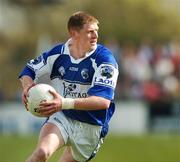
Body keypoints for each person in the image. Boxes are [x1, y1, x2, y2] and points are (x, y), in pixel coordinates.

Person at [19, 11, 119, 162]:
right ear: (74, 33)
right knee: (41, 153)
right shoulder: (58, 54)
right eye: (90, 32)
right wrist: (27, 86)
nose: (95, 36)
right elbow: (29, 69)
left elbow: (102, 101)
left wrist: (63, 102)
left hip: (91, 126)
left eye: (96, 31)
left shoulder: (105, 60)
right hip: (63, 116)